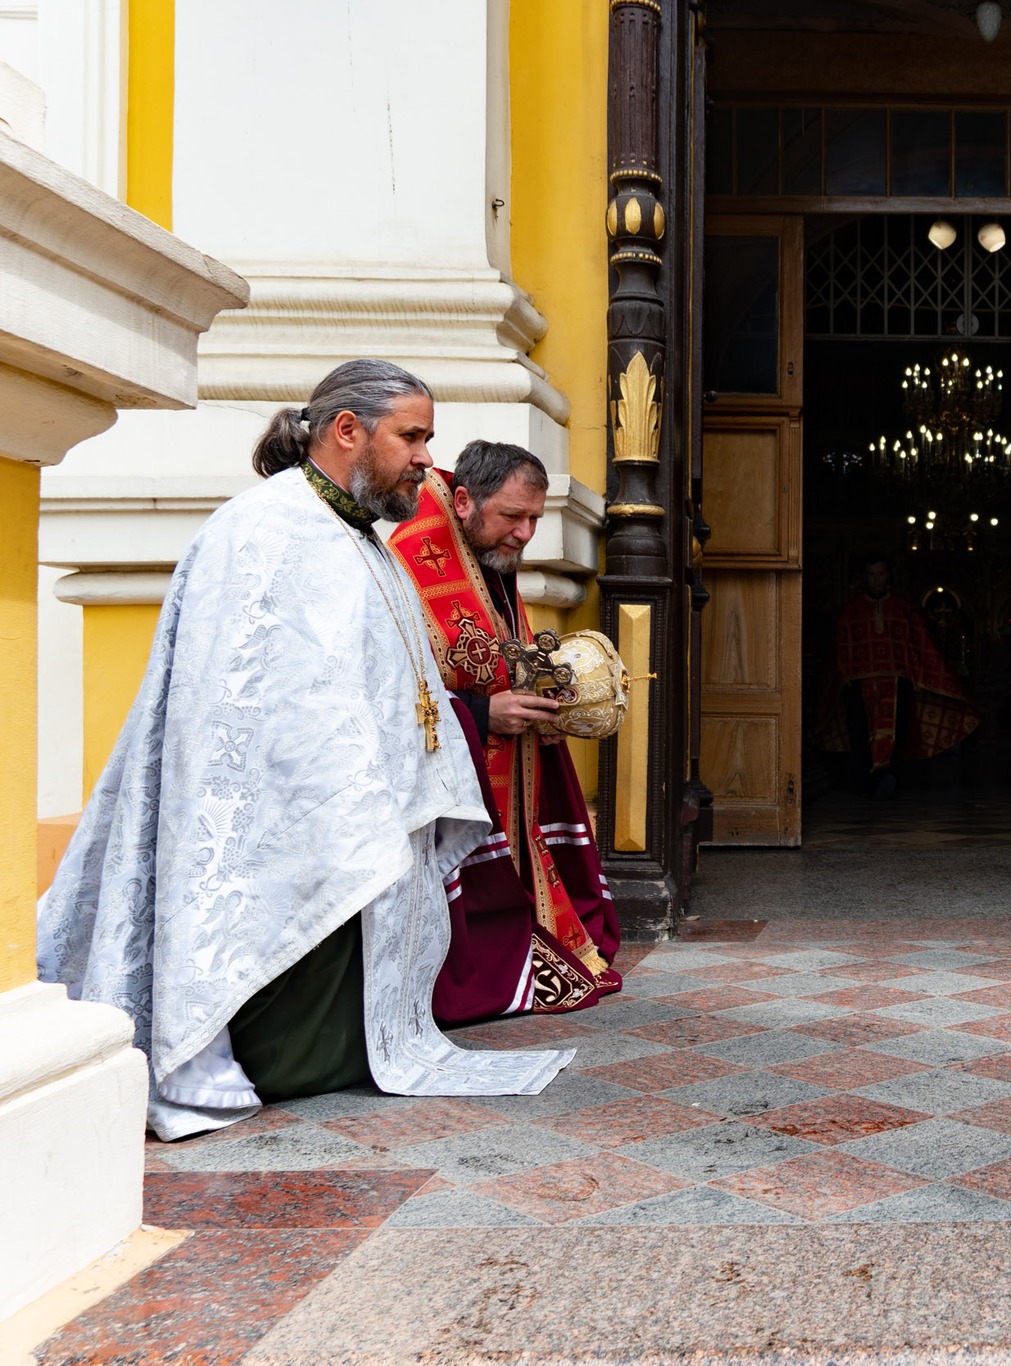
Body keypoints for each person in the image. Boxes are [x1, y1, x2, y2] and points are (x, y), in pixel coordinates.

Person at [37, 360, 572, 1140]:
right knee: (292, 1018)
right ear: (347, 431)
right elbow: (238, 706)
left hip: (348, 808)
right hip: (277, 822)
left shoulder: (358, 538)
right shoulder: (265, 530)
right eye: (412, 436)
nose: (427, 457)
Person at [388, 440, 621, 1021]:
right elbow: (391, 685)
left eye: (535, 519)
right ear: (464, 501)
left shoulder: (485, 553)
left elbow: (496, 651)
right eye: (512, 516)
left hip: (501, 761)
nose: (524, 534)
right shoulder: (411, 558)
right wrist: (481, 711)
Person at [817, 555, 979, 796]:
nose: (876, 580)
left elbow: (916, 645)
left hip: (897, 680)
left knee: (898, 730)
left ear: (888, 575)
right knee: (860, 731)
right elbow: (842, 645)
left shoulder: (902, 608)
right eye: (872, 574)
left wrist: (916, 675)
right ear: (865, 577)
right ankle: (866, 780)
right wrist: (844, 673)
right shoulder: (852, 609)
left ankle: (890, 777)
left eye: (880, 574)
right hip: (859, 681)